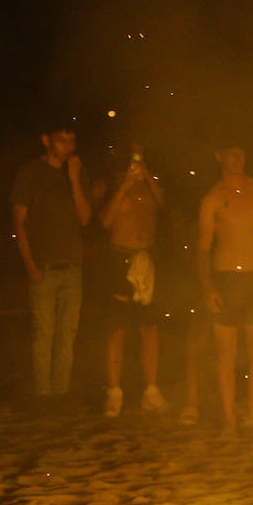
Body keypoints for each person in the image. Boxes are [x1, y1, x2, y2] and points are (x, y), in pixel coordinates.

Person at [197, 143, 253, 438]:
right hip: (226, 279)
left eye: (242, 153)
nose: (237, 160)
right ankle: (230, 419)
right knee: (225, 354)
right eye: (231, 154)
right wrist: (208, 286)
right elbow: (203, 248)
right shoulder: (213, 198)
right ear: (218, 156)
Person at [10, 118, 92, 399]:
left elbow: (85, 218)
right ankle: (43, 393)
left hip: (73, 266)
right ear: (46, 140)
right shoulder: (30, 172)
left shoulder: (76, 173)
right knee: (43, 333)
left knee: (67, 334)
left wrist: (73, 179)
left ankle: (62, 391)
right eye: (61, 140)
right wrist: (29, 264)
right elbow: (19, 223)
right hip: (43, 267)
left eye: (72, 140)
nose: (68, 146)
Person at [99, 142, 169, 416]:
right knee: (117, 329)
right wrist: (126, 185)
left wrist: (147, 178)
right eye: (133, 164)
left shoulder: (151, 189)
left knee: (149, 329)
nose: (136, 169)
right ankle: (114, 391)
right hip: (121, 259)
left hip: (147, 260)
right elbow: (105, 222)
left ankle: (151, 390)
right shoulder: (116, 187)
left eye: (140, 164)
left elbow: (161, 205)